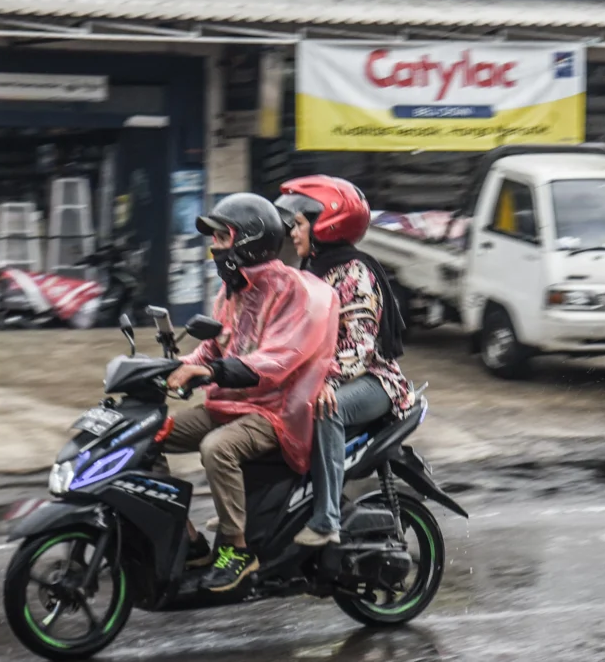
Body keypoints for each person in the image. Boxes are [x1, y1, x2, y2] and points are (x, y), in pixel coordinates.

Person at [158, 192, 338, 592]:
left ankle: (238, 549)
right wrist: (177, 366)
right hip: (231, 403)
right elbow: (215, 346)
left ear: (247, 241)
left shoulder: (292, 290)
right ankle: (188, 542)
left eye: (222, 237)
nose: (215, 246)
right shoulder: (232, 290)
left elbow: (277, 361)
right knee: (148, 436)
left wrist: (210, 370)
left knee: (217, 449)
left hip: (276, 412)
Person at [275, 175, 416, 547]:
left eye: (300, 224)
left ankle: (326, 521)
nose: (293, 232)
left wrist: (328, 382)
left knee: (326, 409)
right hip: (330, 375)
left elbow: (359, 344)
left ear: (326, 225)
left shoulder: (354, 272)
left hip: (373, 380)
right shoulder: (310, 271)